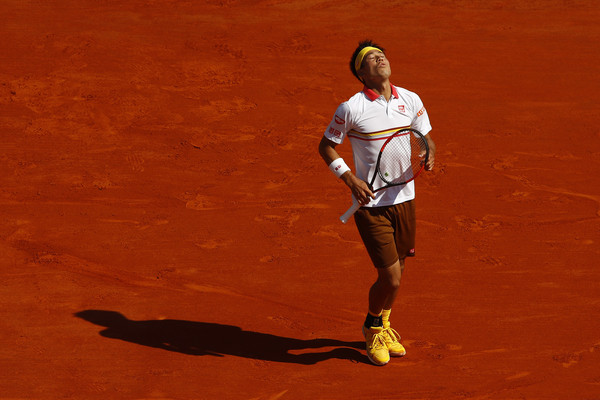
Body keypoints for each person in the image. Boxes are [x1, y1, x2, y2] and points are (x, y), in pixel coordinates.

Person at [318, 40, 436, 366]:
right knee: (391, 277)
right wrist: (350, 179)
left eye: (380, 54)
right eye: (370, 58)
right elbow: (326, 146)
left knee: (399, 268)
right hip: (371, 207)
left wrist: (428, 151)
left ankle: (384, 323)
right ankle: (372, 326)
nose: (379, 58)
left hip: (405, 199)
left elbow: (424, 135)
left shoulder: (410, 99)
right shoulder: (351, 108)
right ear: (362, 74)